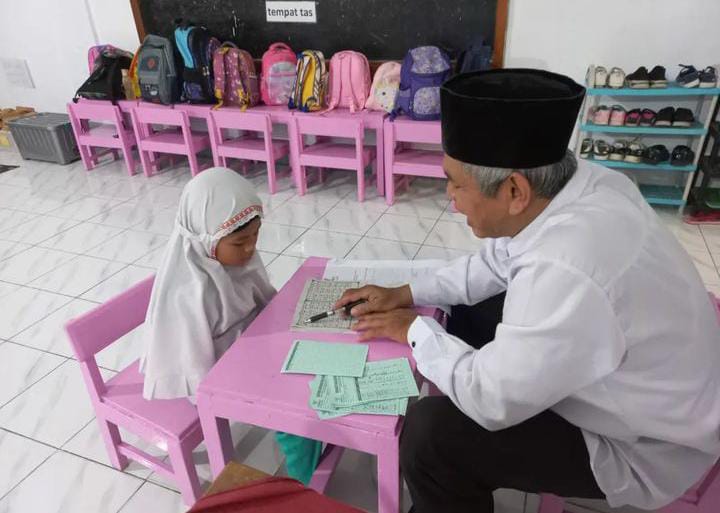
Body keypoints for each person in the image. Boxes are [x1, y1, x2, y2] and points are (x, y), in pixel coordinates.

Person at [335, 69, 720, 513]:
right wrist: (407, 291)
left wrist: (414, 331)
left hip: (647, 442)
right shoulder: (580, 183)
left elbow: (492, 399)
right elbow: (496, 262)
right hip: (640, 373)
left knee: (430, 437)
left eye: (457, 182)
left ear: (515, 190)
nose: (450, 196)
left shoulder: (567, 264)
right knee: (466, 310)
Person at [140, 167, 321, 485]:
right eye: (240, 242)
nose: (251, 249)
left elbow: (264, 301)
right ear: (204, 239)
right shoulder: (189, 292)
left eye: (255, 236)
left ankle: (313, 445)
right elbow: (200, 374)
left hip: (250, 350)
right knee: (292, 410)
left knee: (312, 365)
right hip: (219, 373)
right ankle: (303, 486)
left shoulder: (238, 259)